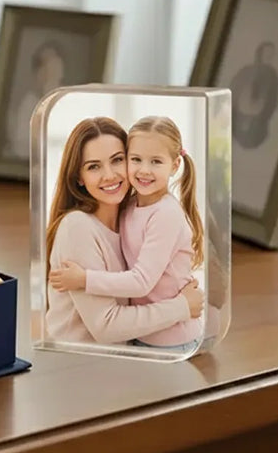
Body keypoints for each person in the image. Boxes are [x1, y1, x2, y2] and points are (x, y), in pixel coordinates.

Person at [44, 116, 204, 346]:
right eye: (93, 166)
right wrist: (182, 307)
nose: (109, 175)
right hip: (82, 368)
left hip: (134, 354)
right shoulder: (77, 227)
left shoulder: (133, 214)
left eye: (117, 160)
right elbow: (107, 327)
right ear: (78, 176)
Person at [4, 40, 66, 161]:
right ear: (37, 75)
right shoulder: (29, 105)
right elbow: (21, 149)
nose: (50, 73)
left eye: (55, 68)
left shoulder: (70, 103)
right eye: (45, 68)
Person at [229, 41, 278, 149]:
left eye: (270, 55)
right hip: (242, 108)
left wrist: (263, 110)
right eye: (266, 53)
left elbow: (273, 98)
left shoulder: (273, 76)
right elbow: (235, 87)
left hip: (258, 112)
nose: (268, 57)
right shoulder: (247, 71)